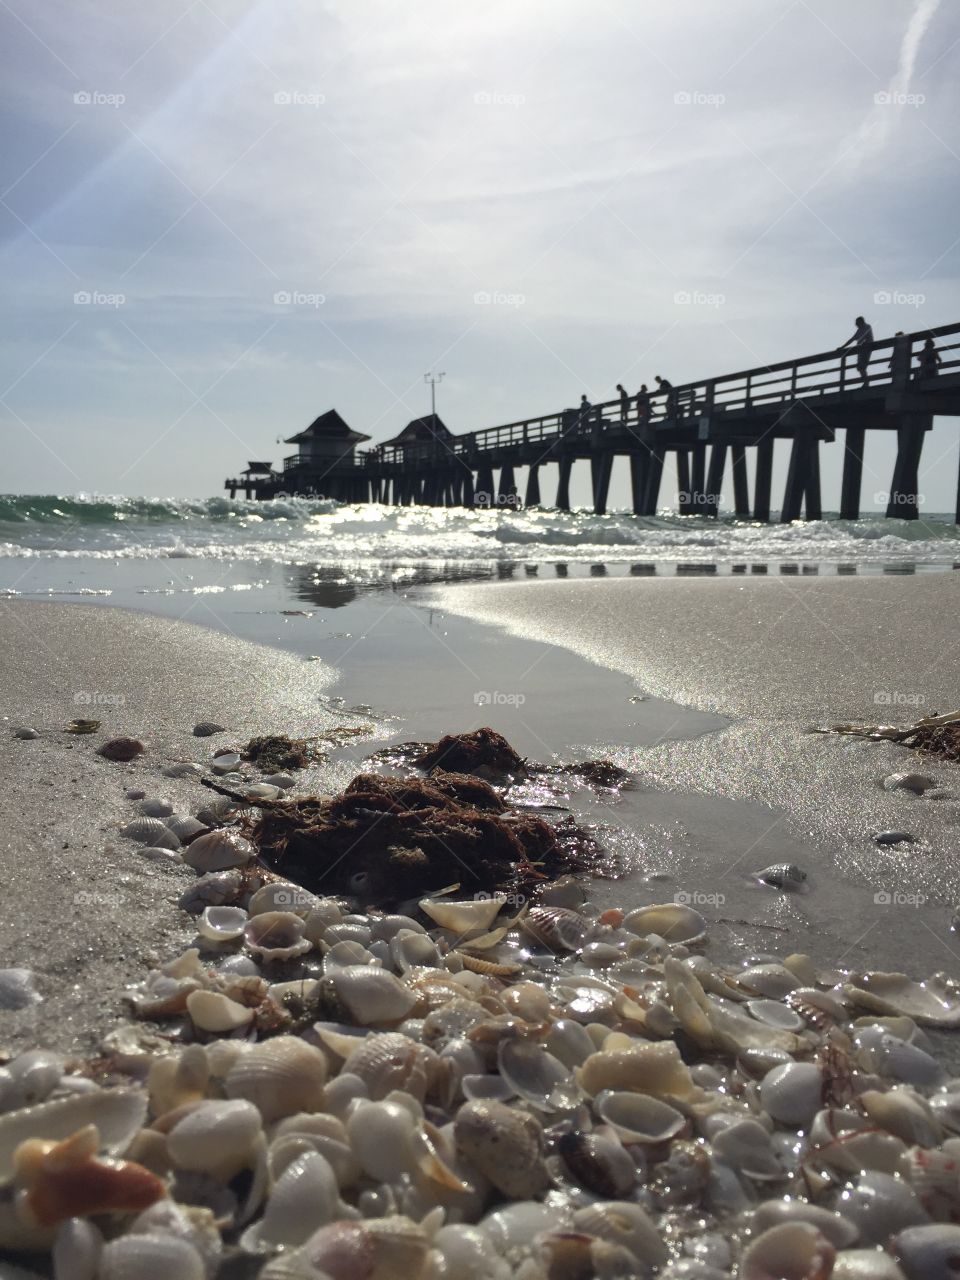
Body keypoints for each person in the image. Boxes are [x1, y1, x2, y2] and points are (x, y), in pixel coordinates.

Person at [838, 315, 874, 385]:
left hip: (866, 348)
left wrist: (863, 342)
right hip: (860, 350)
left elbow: (867, 337)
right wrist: (842, 347)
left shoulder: (867, 327)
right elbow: (852, 339)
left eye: (857, 323)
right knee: (860, 367)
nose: (856, 325)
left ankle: (866, 383)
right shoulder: (859, 330)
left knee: (862, 367)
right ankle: (866, 382)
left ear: (861, 322)